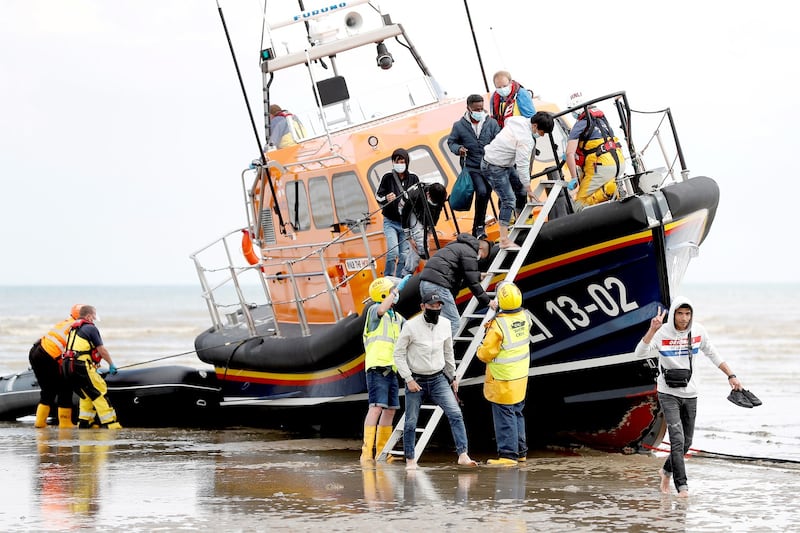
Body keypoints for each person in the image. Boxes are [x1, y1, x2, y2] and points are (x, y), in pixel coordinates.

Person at [635, 297, 745, 498]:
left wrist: (731, 375)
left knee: (686, 442)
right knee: (677, 439)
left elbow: (713, 354)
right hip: (668, 393)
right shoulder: (661, 333)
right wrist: (652, 329)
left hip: (691, 393)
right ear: (674, 313)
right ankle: (682, 486)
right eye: (680, 313)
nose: (684, 318)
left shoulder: (698, 332)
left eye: (688, 314)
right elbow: (639, 352)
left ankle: (665, 471)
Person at [393, 291, 478, 469]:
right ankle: (410, 460)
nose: (436, 309)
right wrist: (408, 379)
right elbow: (398, 354)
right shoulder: (410, 326)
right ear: (423, 307)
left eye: (438, 306)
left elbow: (448, 352)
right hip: (416, 379)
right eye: (432, 306)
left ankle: (463, 454)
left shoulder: (445, 324)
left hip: (438, 378)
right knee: (411, 420)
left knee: (455, 413)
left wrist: (453, 376)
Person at [477, 282, 532, 466]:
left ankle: (508, 455)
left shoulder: (498, 325)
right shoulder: (525, 316)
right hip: (520, 375)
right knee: (517, 412)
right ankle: (521, 452)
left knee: (504, 416)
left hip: (503, 378)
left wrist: (479, 349)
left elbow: (486, 354)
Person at [360, 277, 406, 463]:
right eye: (394, 292)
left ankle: (383, 451)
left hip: (391, 369)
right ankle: (366, 451)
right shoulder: (374, 311)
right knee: (376, 407)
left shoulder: (397, 318)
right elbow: (381, 309)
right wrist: (393, 291)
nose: (397, 295)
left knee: (390, 410)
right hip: (377, 367)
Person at [419, 233, 498, 339]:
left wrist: (477, 275)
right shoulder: (470, 252)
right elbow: (472, 282)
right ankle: (438, 351)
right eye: (481, 256)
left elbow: (458, 270)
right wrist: (487, 301)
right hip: (439, 286)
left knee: (437, 322)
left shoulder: (455, 246)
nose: (479, 259)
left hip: (425, 283)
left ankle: (427, 347)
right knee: (454, 322)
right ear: (480, 248)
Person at [481, 115, 540, 249]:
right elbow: (523, 165)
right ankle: (504, 240)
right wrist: (530, 189)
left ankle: (521, 219)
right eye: (541, 132)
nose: (541, 135)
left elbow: (507, 120)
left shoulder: (518, 120)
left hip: (504, 163)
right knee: (508, 199)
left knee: (520, 189)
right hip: (493, 166)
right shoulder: (526, 140)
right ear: (535, 126)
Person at [446, 94, 501, 239]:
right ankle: (479, 227)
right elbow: (451, 142)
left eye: (481, 108)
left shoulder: (491, 123)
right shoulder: (459, 126)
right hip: (472, 167)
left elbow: (499, 138)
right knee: (482, 192)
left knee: (494, 191)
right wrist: (458, 149)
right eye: (476, 109)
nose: (479, 111)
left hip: (489, 165)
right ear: (468, 108)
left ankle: (498, 221)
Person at [60, 305, 122, 429]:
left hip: (68, 366)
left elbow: (78, 349)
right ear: (88, 316)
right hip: (80, 366)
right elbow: (101, 350)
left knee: (86, 393)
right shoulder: (90, 328)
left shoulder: (73, 329)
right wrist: (111, 364)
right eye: (93, 317)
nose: (94, 320)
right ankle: (110, 424)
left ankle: (84, 422)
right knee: (99, 391)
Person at [565, 91, 625, 210]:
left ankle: (610, 189)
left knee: (579, 205)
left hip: (601, 166)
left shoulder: (580, 124)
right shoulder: (602, 120)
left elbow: (569, 153)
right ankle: (610, 192)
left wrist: (573, 178)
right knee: (592, 190)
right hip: (619, 162)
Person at [29, 304, 83, 428]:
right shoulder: (78, 328)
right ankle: (65, 423)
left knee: (48, 390)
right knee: (65, 388)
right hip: (48, 356)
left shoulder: (66, 322)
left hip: (36, 351)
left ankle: (40, 422)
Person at [376, 148, 420, 277]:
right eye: (397, 161)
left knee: (404, 254)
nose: (400, 164)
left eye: (402, 161)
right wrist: (386, 198)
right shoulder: (387, 178)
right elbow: (378, 196)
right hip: (390, 221)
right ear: (393, 163)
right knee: (393, 251)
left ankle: (399, 279)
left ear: (407, 162)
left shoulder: (413, 178)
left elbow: (418, 196)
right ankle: (388, 277)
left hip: (405, 223)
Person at [400, 182, 447, 277]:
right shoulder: (413, 196)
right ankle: (429, 268)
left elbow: (437, 213)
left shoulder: (440, 197)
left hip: (423, 207)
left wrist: (430, 231)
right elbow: (404, 216)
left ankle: (406, 273)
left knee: (421, 242)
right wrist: (409, 238)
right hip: (408, 209)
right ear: (428, 194)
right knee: (421, 243)